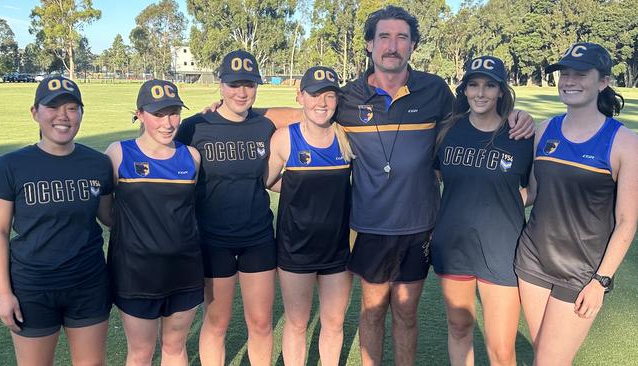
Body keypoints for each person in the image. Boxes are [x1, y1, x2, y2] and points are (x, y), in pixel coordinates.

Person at [202, 7, 534, 365]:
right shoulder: (347, 96)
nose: (392, 46)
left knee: (406, 316)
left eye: (402, 38)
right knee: (372, 314)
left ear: (413, 45)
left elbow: (478, 113)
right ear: (369, 44)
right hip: (368, 228)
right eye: (385, 37)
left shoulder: (435, 91)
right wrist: (230, 109)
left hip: (418, 227)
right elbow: (310, 111)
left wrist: (519, 115)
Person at [515, 42, 638, 365]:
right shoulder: (545, 131)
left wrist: (601, 281)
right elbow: (533, 194)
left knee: (549, 361)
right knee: (546, 354)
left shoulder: (625, 142)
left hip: (582, 272)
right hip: (533, 262)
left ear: (602, 81)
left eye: (580, 74)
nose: (569, 80)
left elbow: (627, 221)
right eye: (565, 73)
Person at [0, 76, 113, 366]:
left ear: (82, 112)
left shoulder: (97, 164)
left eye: (72, 108)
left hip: (88, 282)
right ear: (35, 112)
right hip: (32, 286)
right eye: (52, 107)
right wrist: (4, 293)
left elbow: (110, 217)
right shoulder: (11, 166)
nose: (63, 116)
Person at [175, 50, 276, 366]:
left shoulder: (264, 126)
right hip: (212, 239)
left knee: (260, 323)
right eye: (234, 85)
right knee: (217, 321)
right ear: (220, 85)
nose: (242, 92)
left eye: (249, 84)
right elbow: (155, 149)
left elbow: (303, 113)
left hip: (257, 236)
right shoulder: (195, 126)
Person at [432, 56, 533, 366]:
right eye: (473, 85)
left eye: (489, 85)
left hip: (501, 246)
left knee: (501, 347)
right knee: (459, 327)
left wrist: (500, 199)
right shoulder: (447, 130)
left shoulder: (521, 135)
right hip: (454, 244)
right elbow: (439, 178)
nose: (480, 93)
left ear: (501, 91)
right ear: (463, 90)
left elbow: (534, 192)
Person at [105, 79, 203, 366]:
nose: (168, 122)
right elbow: (106, 211)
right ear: (140, 114)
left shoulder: (192, 157)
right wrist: (136, 234)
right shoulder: (118, 153)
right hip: (135, 273)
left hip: (184, 270)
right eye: (158, 114)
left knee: (174, 348)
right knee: (141, 353)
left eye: (174, 113)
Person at [265, 66, 353, 366]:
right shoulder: (284, 139)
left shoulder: (347, 138)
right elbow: (265, 181)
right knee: (297, 324)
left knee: (333, 324)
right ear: (300, 96)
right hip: (295, 249)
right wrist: (294, 189)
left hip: (338, 250)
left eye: (329, 95)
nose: (322, 102)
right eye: (315, 94)